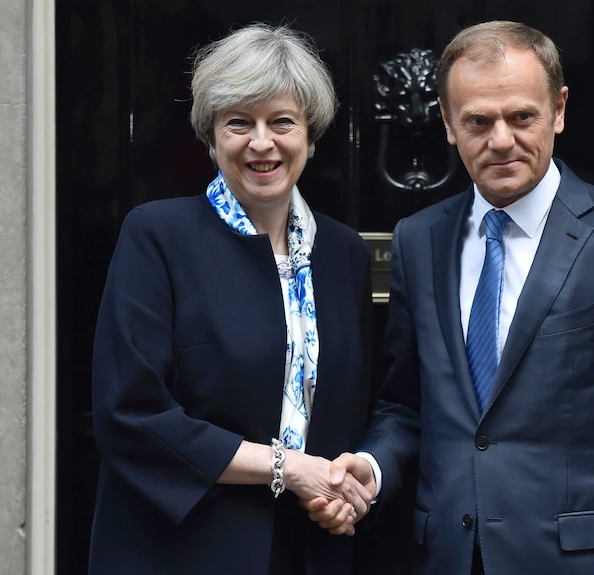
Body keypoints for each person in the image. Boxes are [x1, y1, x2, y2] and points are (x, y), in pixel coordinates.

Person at [305, 20, 594, 575]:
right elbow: (406, 404)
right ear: (449, 124)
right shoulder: (419, 239)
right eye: (478, 121)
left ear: (560, 109)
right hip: (446, 556)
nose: (501, 140)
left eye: (522, 116)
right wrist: (373, 468)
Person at [89, 23, 376, 575]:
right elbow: (131, 413)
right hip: (184, 549)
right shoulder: (157, 236)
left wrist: (347, 490)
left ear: (311, 136)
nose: (261, 143)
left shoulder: (344, 254)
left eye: (282, 122)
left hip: (315, 548)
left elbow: (355, 412)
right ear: (211, 136)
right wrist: (285, 467)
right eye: (239, 122)